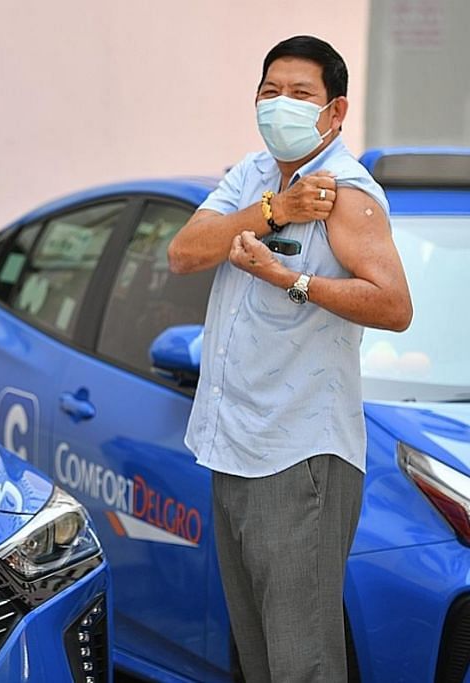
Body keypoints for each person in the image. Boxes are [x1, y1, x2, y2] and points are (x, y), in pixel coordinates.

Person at [167, 36, 412, 682]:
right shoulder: (251, 176)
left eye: (299, 94)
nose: (280, 105)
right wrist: (274, 209)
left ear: (334, 113)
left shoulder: (348, 194)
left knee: (302, 664)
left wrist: (292, 279)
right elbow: (185, 252)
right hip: (232, 444)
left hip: (297, 454)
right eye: (269, 91)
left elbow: (393, 304)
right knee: (259, 658)